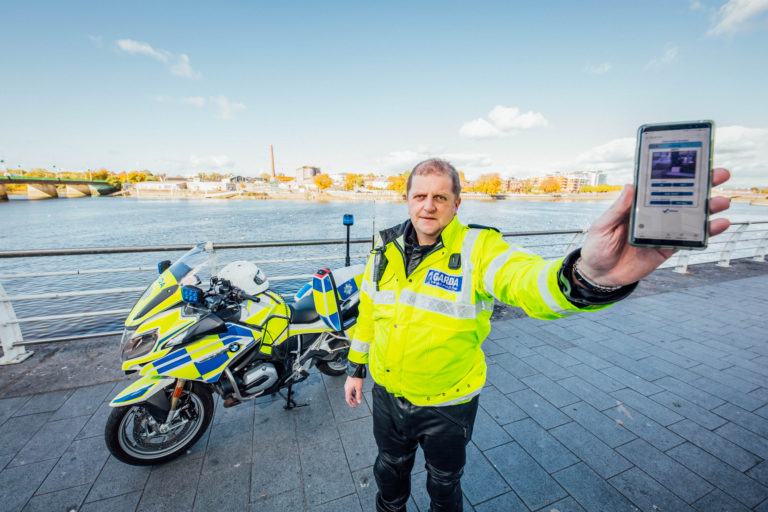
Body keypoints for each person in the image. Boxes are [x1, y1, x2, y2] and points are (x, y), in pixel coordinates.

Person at [344, 158, 731, 512]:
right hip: (388, 394)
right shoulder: (383, 248)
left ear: (457, 204)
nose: (428, 206)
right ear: (407, 200)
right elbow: (369, 312)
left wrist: (585, 277)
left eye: (440, 197)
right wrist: (356, 367)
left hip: (447, 402)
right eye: (420, 196)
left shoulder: (479, 248)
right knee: (389, 473)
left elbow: (524, 279)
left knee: (444, 485)